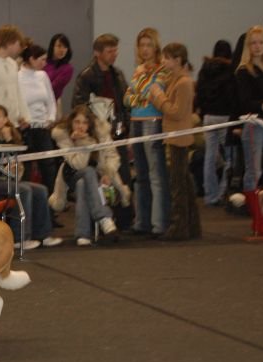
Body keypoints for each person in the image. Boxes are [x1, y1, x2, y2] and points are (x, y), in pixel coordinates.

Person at [0, 105, 62, 250]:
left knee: (40, 189)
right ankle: (19, 238)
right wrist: (3, 170)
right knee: (24, 190)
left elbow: (16, 160)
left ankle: (43, 234)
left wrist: (9, 140)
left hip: (8, 179)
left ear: (5, 119)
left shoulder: (12, 136)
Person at [72, 33, 133, 230]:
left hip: (117, 133)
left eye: (116, 50)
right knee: (99, 178)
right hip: (96, 136)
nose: (114, 54)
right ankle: (97, 221)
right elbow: (79, 106)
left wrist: (125, 126)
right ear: (97, 53)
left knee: (121, 175)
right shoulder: (86, 76)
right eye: (110, 51)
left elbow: (124, 104)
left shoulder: (118, 75)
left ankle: (123, 220)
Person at [149, 43, 201, 240]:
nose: (163, 61)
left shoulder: (184, 83)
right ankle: (191, 227)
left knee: (178, 185)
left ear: (177, 60)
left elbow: (176, 112)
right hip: (174, 136)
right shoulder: (176, 80)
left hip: (179, 138)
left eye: (166, 58)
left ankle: (179, 227)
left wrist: (158, 96)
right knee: (184, 183)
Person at [50, 105, 120, 246]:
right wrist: (84, 142)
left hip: (96, 178)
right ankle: (105, 219)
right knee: (87, 172)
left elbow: (112, 156)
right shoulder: (63, 135)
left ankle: (83, 234)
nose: (80, 126)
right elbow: (78, 164)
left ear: (90, 124)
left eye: (84, 123)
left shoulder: (100, 134)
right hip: (71, 175)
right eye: (77, 122)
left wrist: (108, 173)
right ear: (71, 122)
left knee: (84, 182)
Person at [124, 27, 170, 236]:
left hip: (153, 121)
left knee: (156, 175)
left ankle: (159, 224)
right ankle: (142, 222)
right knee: (140, 175)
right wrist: (140, 91)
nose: (144, 49)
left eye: (148, 45)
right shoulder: (138, 70)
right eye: (141, 45)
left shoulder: (162, 69)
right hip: (135, 121)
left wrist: (139, 89)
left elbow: (148, 92)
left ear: (156, 46)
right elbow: (127, 98)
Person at [195, 40, 236, 206]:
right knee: (229, 157)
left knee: (210, 157)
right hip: (225, 117)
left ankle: (210, 195)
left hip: (209, 117)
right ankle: (223, 192)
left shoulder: (205, 69)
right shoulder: (231, 70)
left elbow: (199, 92)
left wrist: (204, 111)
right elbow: (232, 95)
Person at [235, 25, 263, 192]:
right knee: (254, 171)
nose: (257, 47)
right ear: (248, 46)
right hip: (254, 125)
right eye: (253, 43)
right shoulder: (243, 72)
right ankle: (254, 210)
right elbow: (246, 103)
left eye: (261, 42)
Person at [18, 41, 57, 188]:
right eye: (42, 60)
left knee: (48, 165)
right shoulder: (17, 77)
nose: (45, 63)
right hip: (26, 129)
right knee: (25, 167)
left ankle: (52, 203)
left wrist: (51, 118)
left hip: (43, 127)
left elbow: (51, 100)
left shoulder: (43, 76)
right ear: (31, 59)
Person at [43, 33, 73, 114]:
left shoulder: (67, 68)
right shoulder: (43, 61)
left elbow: (54, 86)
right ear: (52, 46)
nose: (62, 50)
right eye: (59, 46)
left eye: (65, 47)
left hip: (51, 104)